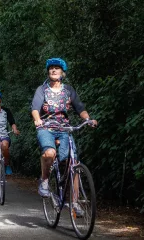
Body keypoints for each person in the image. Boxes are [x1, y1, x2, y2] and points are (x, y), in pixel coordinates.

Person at [30, 58, 98, 213]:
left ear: (62, 72)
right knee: (50, 153)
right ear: (48, 72)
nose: (54, 70)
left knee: (72, 162)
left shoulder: (68, 90)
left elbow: (80, 108)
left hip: (65, 129)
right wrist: (37, 119)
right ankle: (45, 180)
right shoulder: (42, 90)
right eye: (51, 68)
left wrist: (88, 119)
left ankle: (74, 203)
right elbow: (35, 107)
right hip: (46, 127)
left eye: (57, 68)